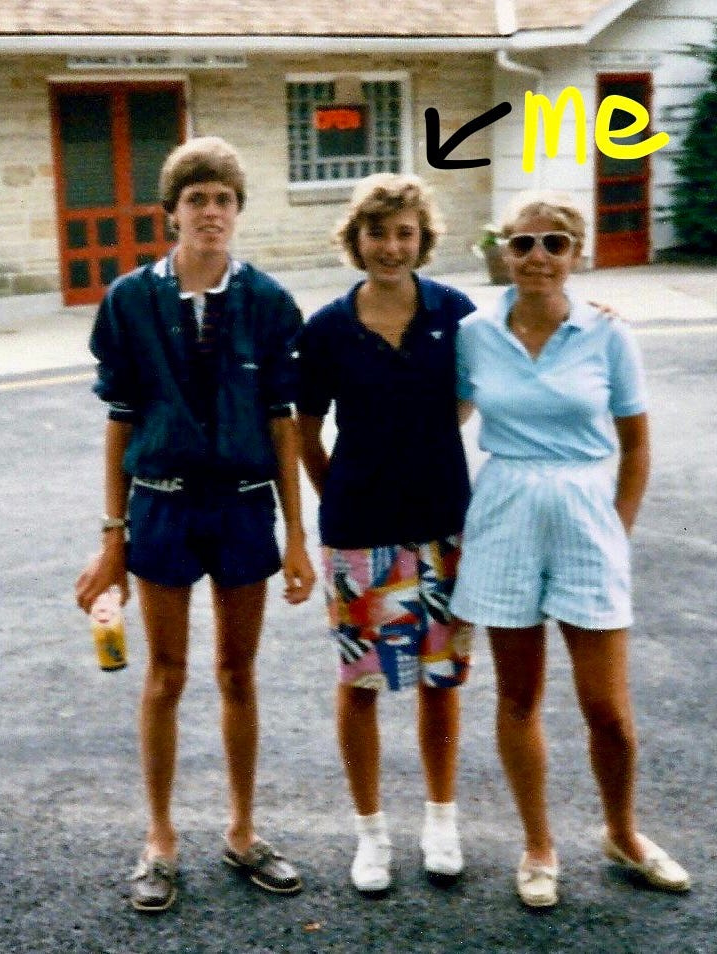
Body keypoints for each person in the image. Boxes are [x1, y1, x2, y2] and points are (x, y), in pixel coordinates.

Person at [74, 136, 316, 913]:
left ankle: (243, 830)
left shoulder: (269, 302)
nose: (211, 212)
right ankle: (160, 838)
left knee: (238, 673)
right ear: (171, 213)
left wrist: (297, 535)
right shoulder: (130, 301)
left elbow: (283, 421)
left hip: (243, 504)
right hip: (163, 505)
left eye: (224, 200)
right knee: (166, 675)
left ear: (238, 211)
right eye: (196, 200)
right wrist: (113, 536)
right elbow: (120, 419)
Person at [449, 190, 691, 908]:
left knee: (605, 707)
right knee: (518, 695)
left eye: (554, 243)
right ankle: (538, 845)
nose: (537, 257)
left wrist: (619, 525)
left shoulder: (607, 333)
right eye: (523, 243)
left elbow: (636, 443)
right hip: (506, 509)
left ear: (576, 255)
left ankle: (623, 832)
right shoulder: (473, 333)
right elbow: (442, 418)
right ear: (503, 251)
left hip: (586, 512)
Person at [296, 173, 475, 894]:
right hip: (359, 530)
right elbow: (305, 431)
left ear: (423, 240)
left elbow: (487, 379)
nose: (391, 247)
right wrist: (340, 493)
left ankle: (441, 822)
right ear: (356, 239)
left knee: (441, 679)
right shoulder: (327, 328)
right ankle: (371, 835)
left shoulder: (455, 312)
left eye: (405, 233)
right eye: (377, 233)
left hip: (443, 524)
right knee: (362, 682)